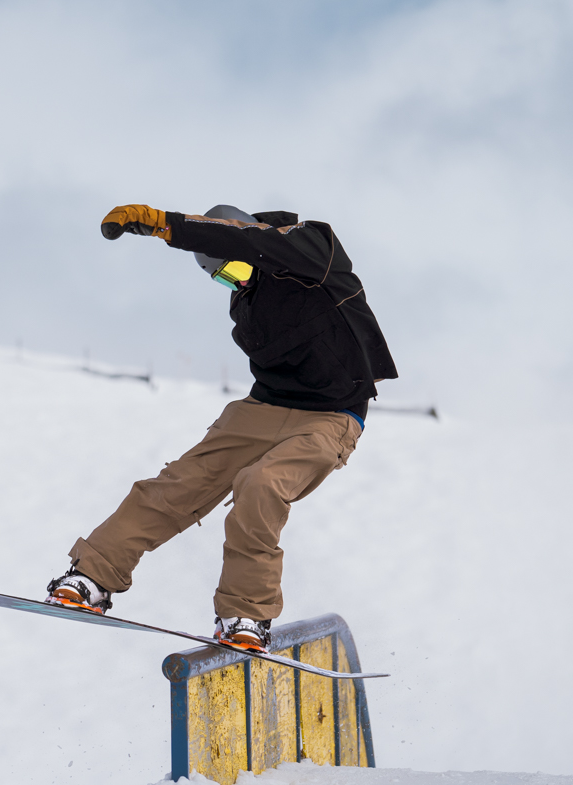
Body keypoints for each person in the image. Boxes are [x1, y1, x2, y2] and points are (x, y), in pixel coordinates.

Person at [47, 203, 398, 650]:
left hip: (333, 416)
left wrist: (166, 225)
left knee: (261, 484)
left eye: (235, 269)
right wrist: (232, 271)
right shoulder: (247, 297)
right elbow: (239, 253)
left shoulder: (311, 249)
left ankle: (246, 617)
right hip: (263, 408)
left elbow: (247, 241)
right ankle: (91, 577)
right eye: (224, 279)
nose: (238, 281)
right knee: (179, 483)